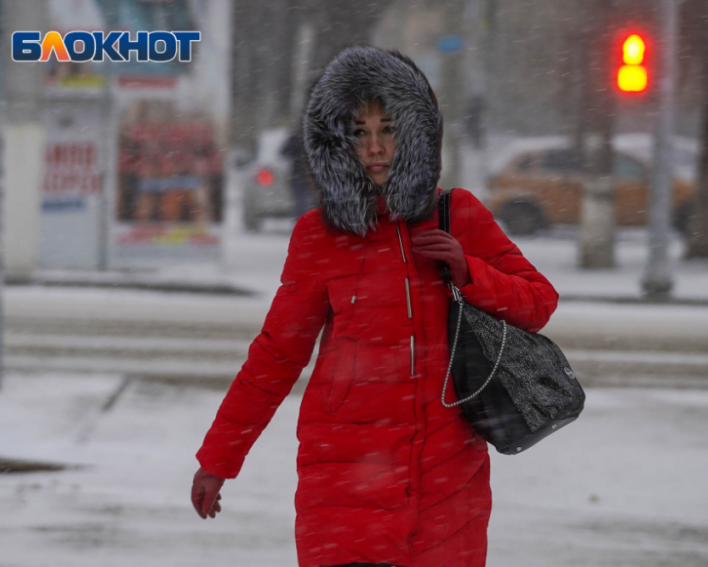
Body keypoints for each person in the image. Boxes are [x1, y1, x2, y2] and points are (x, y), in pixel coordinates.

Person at [191, 47, 559, 567]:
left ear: (415, 133)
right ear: (336, 141)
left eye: (388, 128)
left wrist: (468, 271)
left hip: (447, 479)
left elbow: (538, 302)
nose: (375, 147)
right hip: (342, 475)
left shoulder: (458, 215)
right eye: (358, 132)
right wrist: (220, 459)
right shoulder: (318, 237)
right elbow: (276, 356)